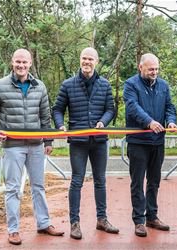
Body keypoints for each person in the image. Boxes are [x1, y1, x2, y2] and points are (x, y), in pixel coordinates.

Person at [0, 49, 64, 245]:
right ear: (12, 62)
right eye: (18, 62)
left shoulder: (40, 87)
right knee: (12, 189)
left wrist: (48, 141)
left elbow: (45, 117)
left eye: (24, 62)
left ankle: (44, 224)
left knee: (38, 186)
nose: (21, 65)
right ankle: (13, 230)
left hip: (36, 146)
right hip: (12, 147)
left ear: (30, 63)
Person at [53, 47, 118, 240]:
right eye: (84, 58)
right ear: (80, 60)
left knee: (100, 181)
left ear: (96, 61)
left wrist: (103, 122)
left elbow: (110, 109)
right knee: (77, 180)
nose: (87, 62)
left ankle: (102, 219)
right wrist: (60, 125)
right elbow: (57, 109)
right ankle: (74, 222)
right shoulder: (68, 85)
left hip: (99, 141)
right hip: (78, 141)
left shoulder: (105, 85)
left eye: (90, 59)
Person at [123, 53, 177, 237]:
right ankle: (138, 220)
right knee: (137, 182)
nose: (154, 72)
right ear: (141, 68)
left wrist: (170, 121)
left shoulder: (163, 85)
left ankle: (152, 216)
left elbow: (169, 106)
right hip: (138, 142)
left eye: (156, 69)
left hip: (157, 142)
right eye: (150, 69)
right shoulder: (131, 85)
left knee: (154, 181)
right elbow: (132, 107)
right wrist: (149, 122)